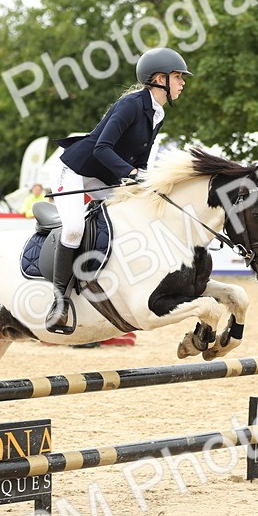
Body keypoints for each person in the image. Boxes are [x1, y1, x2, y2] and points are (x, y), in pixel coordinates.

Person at [46, 46, 190, 330]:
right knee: (73, 228)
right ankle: (59, 301)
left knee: (137, 217)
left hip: (103, 176)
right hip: (74, 170)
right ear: (159, 79)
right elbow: (101, 148)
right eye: (178, 77)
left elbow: (141, 160)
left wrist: (145, 181)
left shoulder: (157, 113)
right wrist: (131, 174)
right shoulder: (131, 105)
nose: (182, 83)